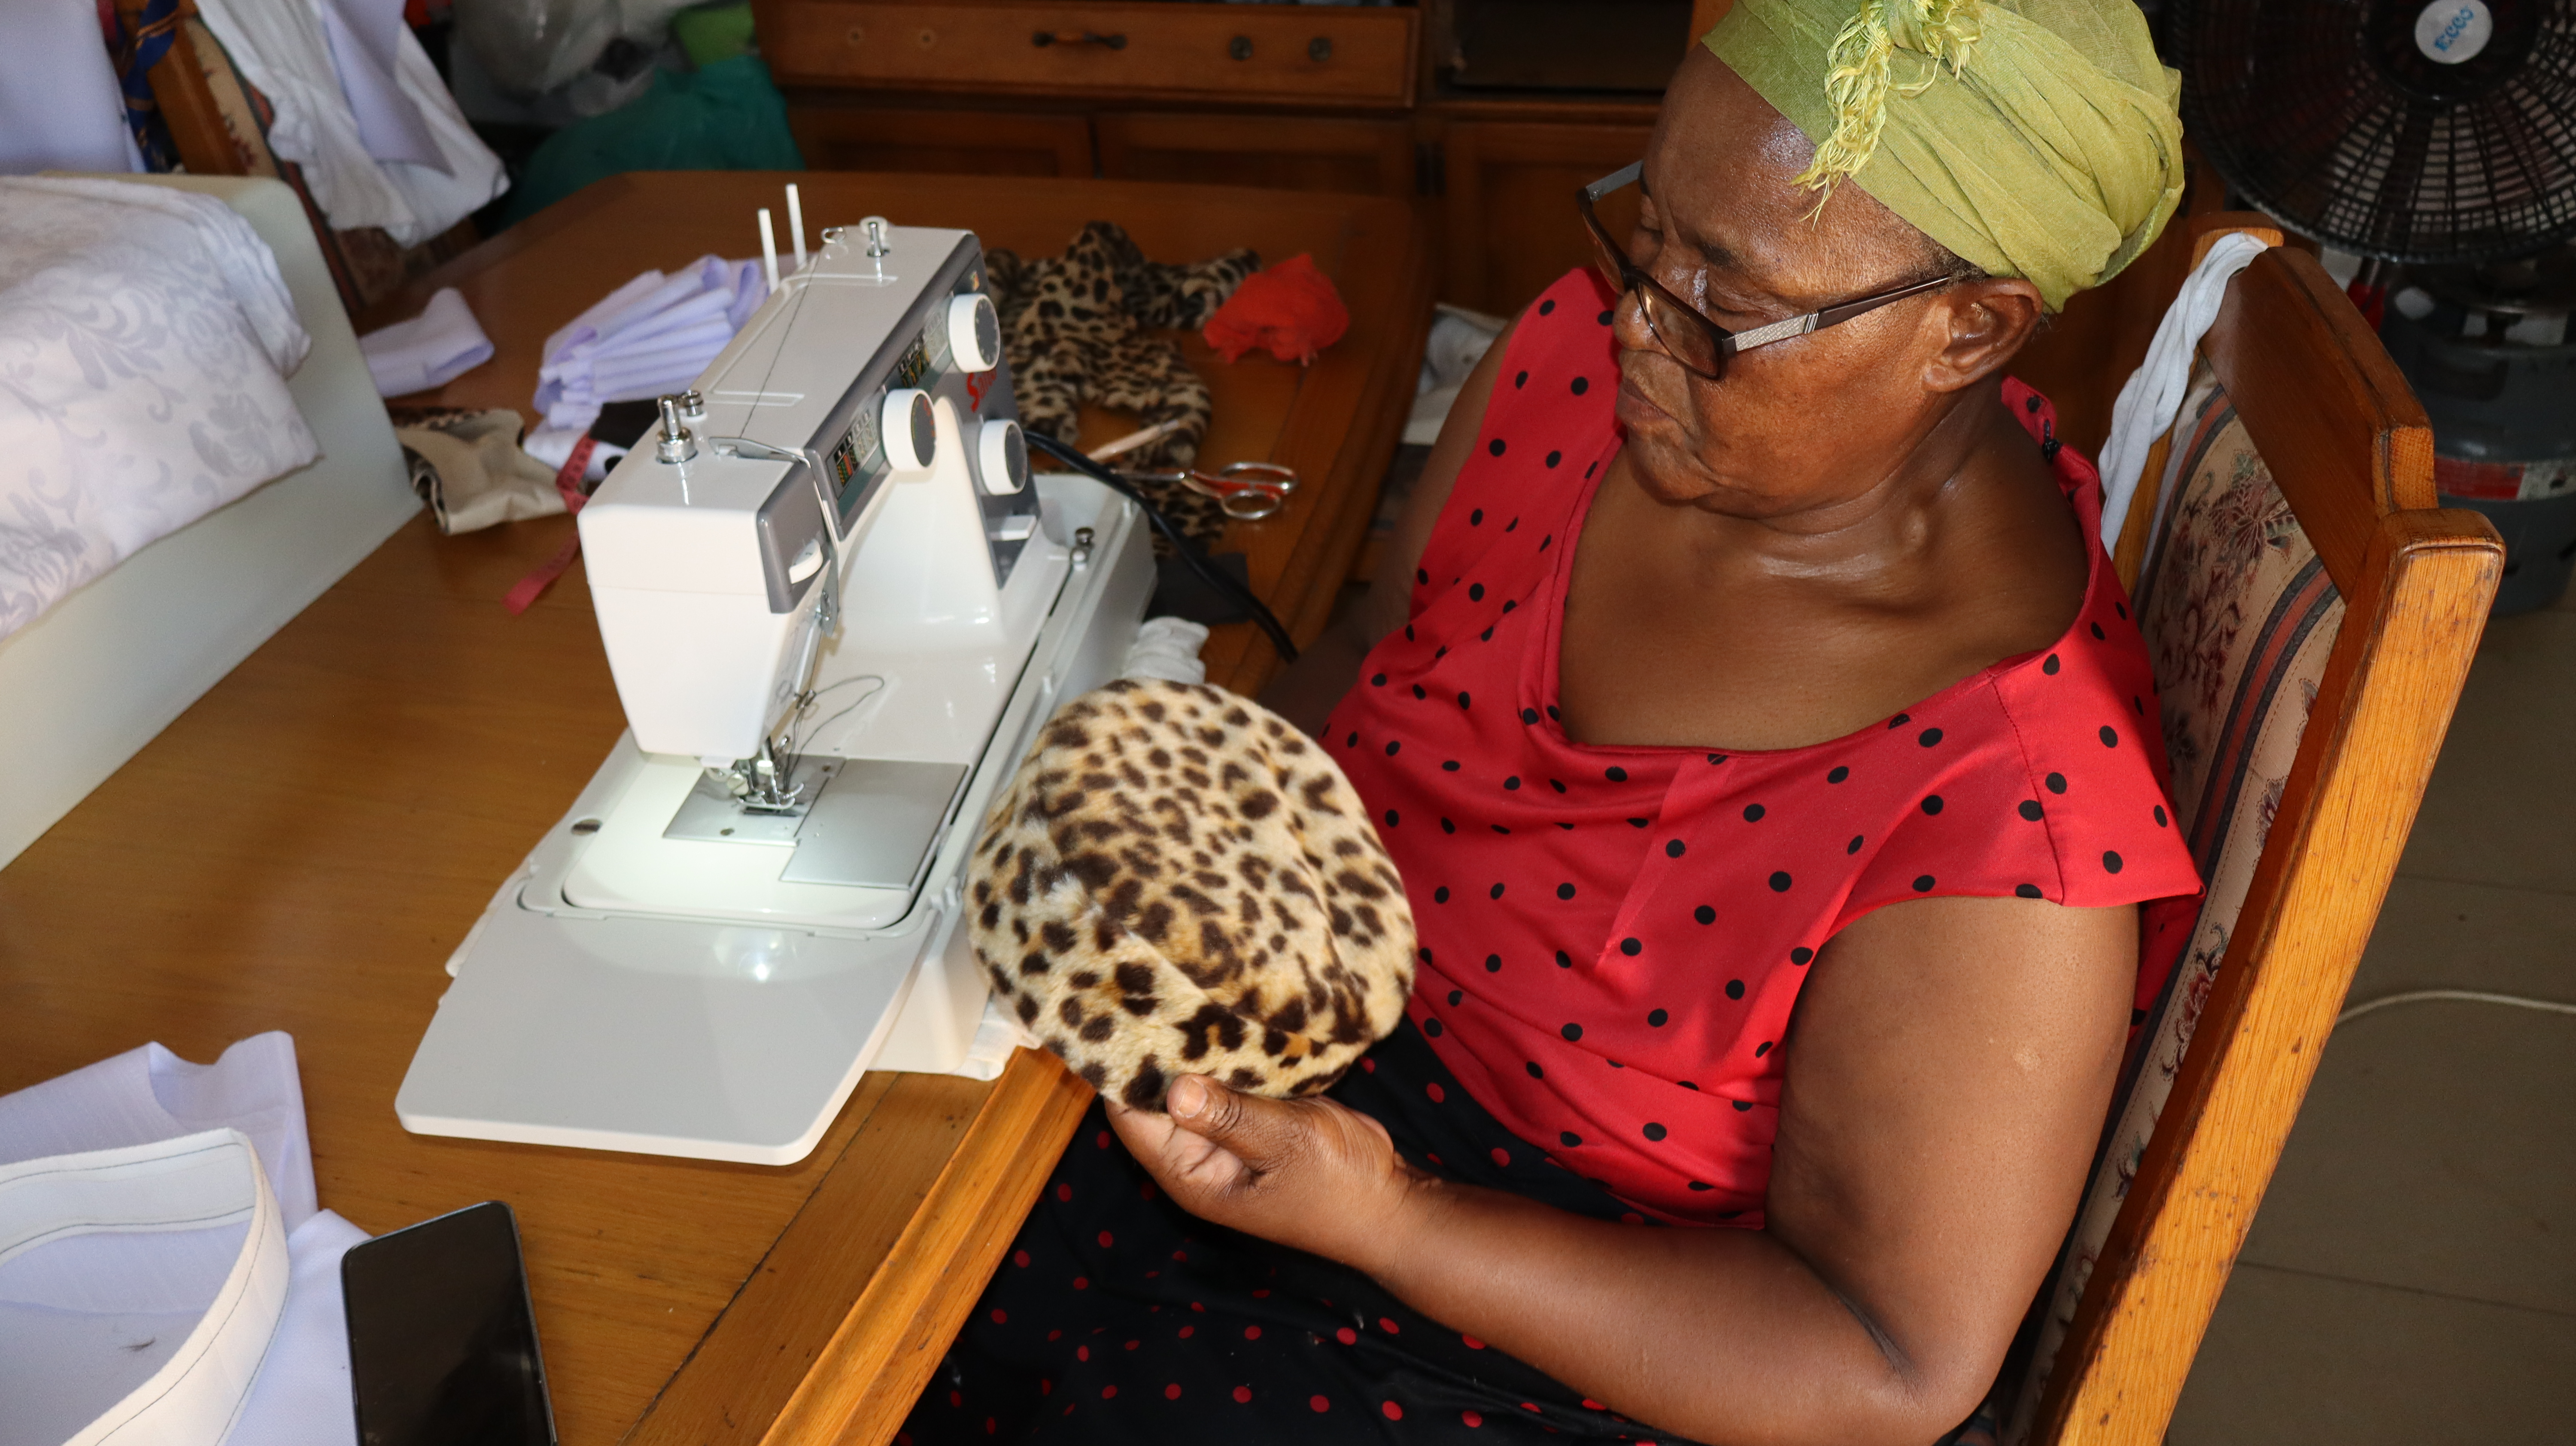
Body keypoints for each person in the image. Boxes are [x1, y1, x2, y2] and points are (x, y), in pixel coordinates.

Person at [903, 1, 2199, 1442]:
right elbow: (1378, 655)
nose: (1638, 318)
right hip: (1326, 1079)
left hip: (1583, 1319)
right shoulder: (1579, 371)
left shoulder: (2008, 826)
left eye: (1724, 296)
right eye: (1648, 235)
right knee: (889, 1205)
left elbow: (1884, 1365)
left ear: (1972, 327)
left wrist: (1393, 1218)